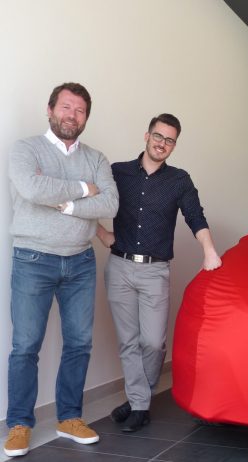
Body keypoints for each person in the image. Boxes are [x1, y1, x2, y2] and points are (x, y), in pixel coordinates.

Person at [4, 82, 119, 457]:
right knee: (25, 346)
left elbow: (111, 204)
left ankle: (69, 417)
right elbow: (32, 189)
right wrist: (85, 189)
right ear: (50, 109)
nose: (72, 115)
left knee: (79, 343)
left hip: (81, 260)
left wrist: (67, 205)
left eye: (80, 110)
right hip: (33, 259)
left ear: (86, 118)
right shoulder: (26, 149)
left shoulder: (96, 158)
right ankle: (19, 423)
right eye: (66, 107)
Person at [96, 113, 222, 432]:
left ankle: (136, 400)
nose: (162, 143)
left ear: (174, 145)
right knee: (128, 341)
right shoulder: (118, 172)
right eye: (158, 136)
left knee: (152, 342)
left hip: (155, 271)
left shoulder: (179, 180)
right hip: (119, 267)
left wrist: (209, 251)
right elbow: (89, 199)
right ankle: (140, 405)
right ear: (147, 136)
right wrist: (101, 233)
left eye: (169, 140)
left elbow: (195, 216)